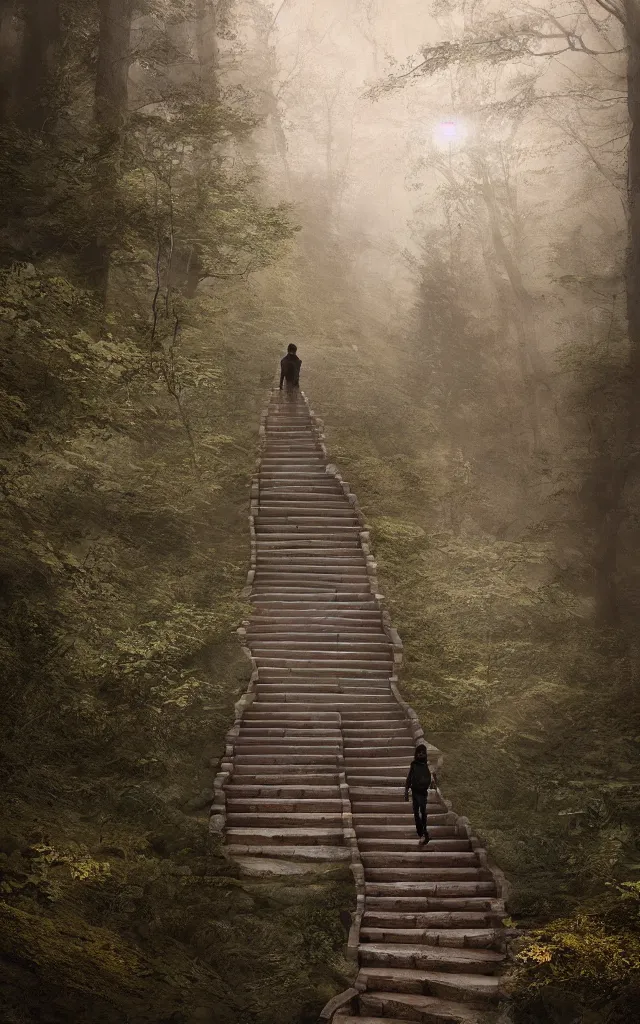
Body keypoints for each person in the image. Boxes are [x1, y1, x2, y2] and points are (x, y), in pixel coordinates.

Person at [404, 743, 436, 846]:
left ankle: (424, 832)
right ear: (416, 754)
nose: (421, 755)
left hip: (423, 792)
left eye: (423, 753)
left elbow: (432, 777)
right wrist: (406, 789)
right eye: (419, 753)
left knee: (422, 811)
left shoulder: (427, 765)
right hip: (415, 792)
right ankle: (421, 832)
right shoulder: (413, 764)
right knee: (416, 813)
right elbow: (409, 777)